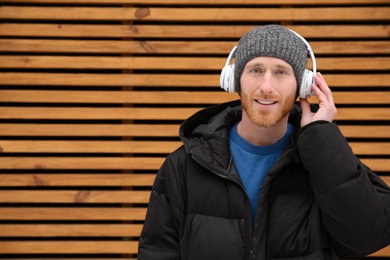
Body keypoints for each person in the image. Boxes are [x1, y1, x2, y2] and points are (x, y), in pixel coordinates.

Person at [137, 24, 390, 260]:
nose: (266, 86)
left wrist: (321, 136)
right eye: (255, 70)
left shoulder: (324, 159)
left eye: (281, 72)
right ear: (234, 79)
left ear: (302, 86)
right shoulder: (182, 167)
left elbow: (367, 237)